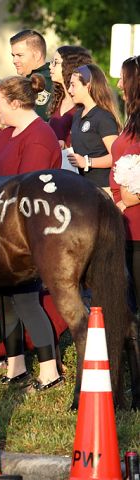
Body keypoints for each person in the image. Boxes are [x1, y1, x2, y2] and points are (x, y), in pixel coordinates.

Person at [0, 75, 62, 391]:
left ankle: (50, 371)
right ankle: (15, 365)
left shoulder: (39, 137)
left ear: (16, 103)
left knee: (26, 299)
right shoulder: (7, 134)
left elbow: (30, 191)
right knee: (0, 297)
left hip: (27, 232)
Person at [110, 56, 140, 315]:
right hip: (126, 223)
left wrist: (128, 198)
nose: (119, 84)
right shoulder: (133, 117)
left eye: (124, 78)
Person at [65, 63, 122, 190]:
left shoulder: (103, 117)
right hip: (81, 186)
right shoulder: (78, 114)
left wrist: (87, 162)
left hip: (101, 189)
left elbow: (116, 156)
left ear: (88, 86)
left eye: (73, 85)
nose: (69, 90)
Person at [47, 45, 93, 148]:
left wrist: (67, 147)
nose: (50, 66)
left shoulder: (85, 102)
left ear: (69, 66)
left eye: (56, 62)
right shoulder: (58, 98)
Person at [9, 29, 53, 119]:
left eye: (19, 55)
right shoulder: (26, 80)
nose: (14, 61)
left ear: (37, 55)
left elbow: (39, 119)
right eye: (13, 55)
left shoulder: (47, 81)